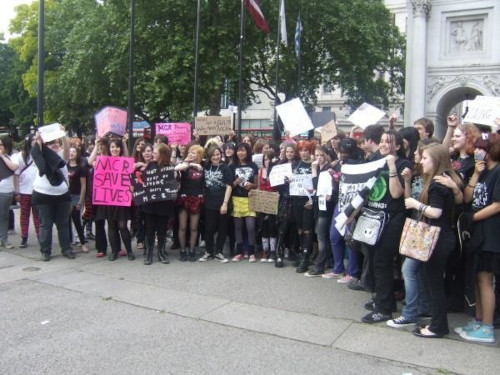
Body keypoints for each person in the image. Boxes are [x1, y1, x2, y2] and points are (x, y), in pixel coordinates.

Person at [402, 144, 463, 338]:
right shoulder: (445, 181)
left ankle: (437, 327)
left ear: (436, 160)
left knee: (434, 285)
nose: (421, 161)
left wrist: (414, 203)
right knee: (434, 284)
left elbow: (436, 212)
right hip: (443, 238)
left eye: (425, 158)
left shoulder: (437, 184)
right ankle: (438, 324)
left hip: (437, 239)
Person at [361, 130, 411, 324]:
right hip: (372, 218)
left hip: (391, 220)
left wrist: (391, 166)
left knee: (382, 263)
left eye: (387, 142)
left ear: (397, 147)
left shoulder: (403, 164)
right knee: (373, 260)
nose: (382, 145)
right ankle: (384, 301)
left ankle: (384, 309)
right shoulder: (375, 162)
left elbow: (396, 193)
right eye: (381, 141)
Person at [457, 134, 500, 343]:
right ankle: (479, 318)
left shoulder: (498, 171)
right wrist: (475, 173)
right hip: (477, 234)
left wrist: (472, 218)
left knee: (485, 279)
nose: (477, 151)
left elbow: (497, 205)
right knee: (477, 278)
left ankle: (487, 327)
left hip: (490, 234)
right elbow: (467, 197)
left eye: (482, 147)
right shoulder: (482, 172)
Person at [89, 137, 135, 261]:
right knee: (111, 226)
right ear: (109, 149)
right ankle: (114, 251)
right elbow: (90, 162)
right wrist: (96, 144)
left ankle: (129, 250)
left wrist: (124, 143)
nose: (115, 149)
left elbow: (128, 159)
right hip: (108, 199)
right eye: (112, 147)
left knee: (122, 226)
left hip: (121, 199)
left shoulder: (124, 161)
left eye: (117, 147)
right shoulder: (103, 161)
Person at [31, 131, 74, 261]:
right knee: (46, 224)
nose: (55, 145)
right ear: (45, 145)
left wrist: (63, 136)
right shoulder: (39, 157)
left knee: (63, 224)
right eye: (51, 143)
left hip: (62, 195)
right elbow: (35, 147)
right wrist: (39, 140)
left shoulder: (60, 156)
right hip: (43, 195)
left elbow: (66, 151)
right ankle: (45, 251)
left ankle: (66, 249)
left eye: (56, 142)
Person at [142, 143, 177, 265]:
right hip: (150, 204)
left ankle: (161, 252)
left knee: (162, 230)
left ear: (162, 154)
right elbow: (142, 181)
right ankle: (149, 253)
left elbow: (174, 184)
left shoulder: (170, 168)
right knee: (150, 229)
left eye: (155, 152)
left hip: (164, 204)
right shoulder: (150, 165)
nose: (152, 154)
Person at [201, 146, 232, 263]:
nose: (215, 157)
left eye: (218, 154)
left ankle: (219, 252)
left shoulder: (225, 168)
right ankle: (208, 251)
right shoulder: (205, 167)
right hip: (209, 203)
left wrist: (225, 203)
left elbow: (229, 186)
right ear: (209, 156)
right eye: (213, 155)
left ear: (221, 154)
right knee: (209, 229)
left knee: (222, 229)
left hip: (222, 203)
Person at [174, 145, 205, 262]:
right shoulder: (185, 164)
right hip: (184, 198)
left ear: (200, 155)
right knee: (182, 227)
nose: (191, 154)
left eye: (194, 152)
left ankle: (192, 250)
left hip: (197, 198)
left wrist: (197, 165)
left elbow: (203, 172)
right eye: (190, 152)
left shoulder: (203, 165)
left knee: (193, 227)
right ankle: (182, 250)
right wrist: (188, 162)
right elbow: (176, 168)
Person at [230, 142, 258, 262]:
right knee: (238, 227)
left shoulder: (253, 166)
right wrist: (236, 182)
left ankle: (251, 252)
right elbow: (228, 185)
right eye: (238, 150)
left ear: (248, 152)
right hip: (236, 199)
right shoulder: (232, 166)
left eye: (243, 150)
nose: (240, 153)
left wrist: (252, 185)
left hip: (250, 199)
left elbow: (257, 185)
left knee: (251, 227)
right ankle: (239, 252)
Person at [292, 140, 315, 273]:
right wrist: (289, 180)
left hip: (308, 201)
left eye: (306, 150)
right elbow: (291, 181)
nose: (303, 153)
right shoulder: (295, 164)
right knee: (299, 229)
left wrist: (313, 200)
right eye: (301, 150)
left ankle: (306, 257)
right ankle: (302, 253)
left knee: (307, 229)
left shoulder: (314, 165)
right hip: (296, 200)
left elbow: (317, 184)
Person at [14, 134, 40, 248]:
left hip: (37, 190)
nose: (35, 141)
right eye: (33, 139)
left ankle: (40, 236)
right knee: (24, 215)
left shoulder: (40, 154)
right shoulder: (20, 156)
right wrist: (17, 191)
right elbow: (16, 175)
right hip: (24, 191)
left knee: (37, 215)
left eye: (36, 139)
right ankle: (24, 237)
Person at [255, 149, 278, 262]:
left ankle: (273, 251)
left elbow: (278, 187)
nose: (266, 161)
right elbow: (258, 187)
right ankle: (265, 250)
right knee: (263, 225)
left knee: (272, 225)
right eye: (265, 159)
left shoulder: (276, 171)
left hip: (273, 199)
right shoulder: (260, 171)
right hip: (263, 200)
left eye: (268, 159)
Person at [67, 145, 89, 253]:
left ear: (77, 154)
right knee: (66, 220)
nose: (71, 153)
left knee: (76, 219)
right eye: (69, 151)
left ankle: (82, 242)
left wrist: (81, 201)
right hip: (66, 196)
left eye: (73, 152)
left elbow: (83, 186)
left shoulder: (80, 168)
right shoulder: (64, 166)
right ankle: (69, 242)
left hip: (76, 196)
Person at [0, 135, 19, 249]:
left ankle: (4, 238)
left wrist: (2, 156)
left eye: (1, 144)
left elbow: (14, 167)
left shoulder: (13, 156)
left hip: (5, 190)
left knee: (4, 215)